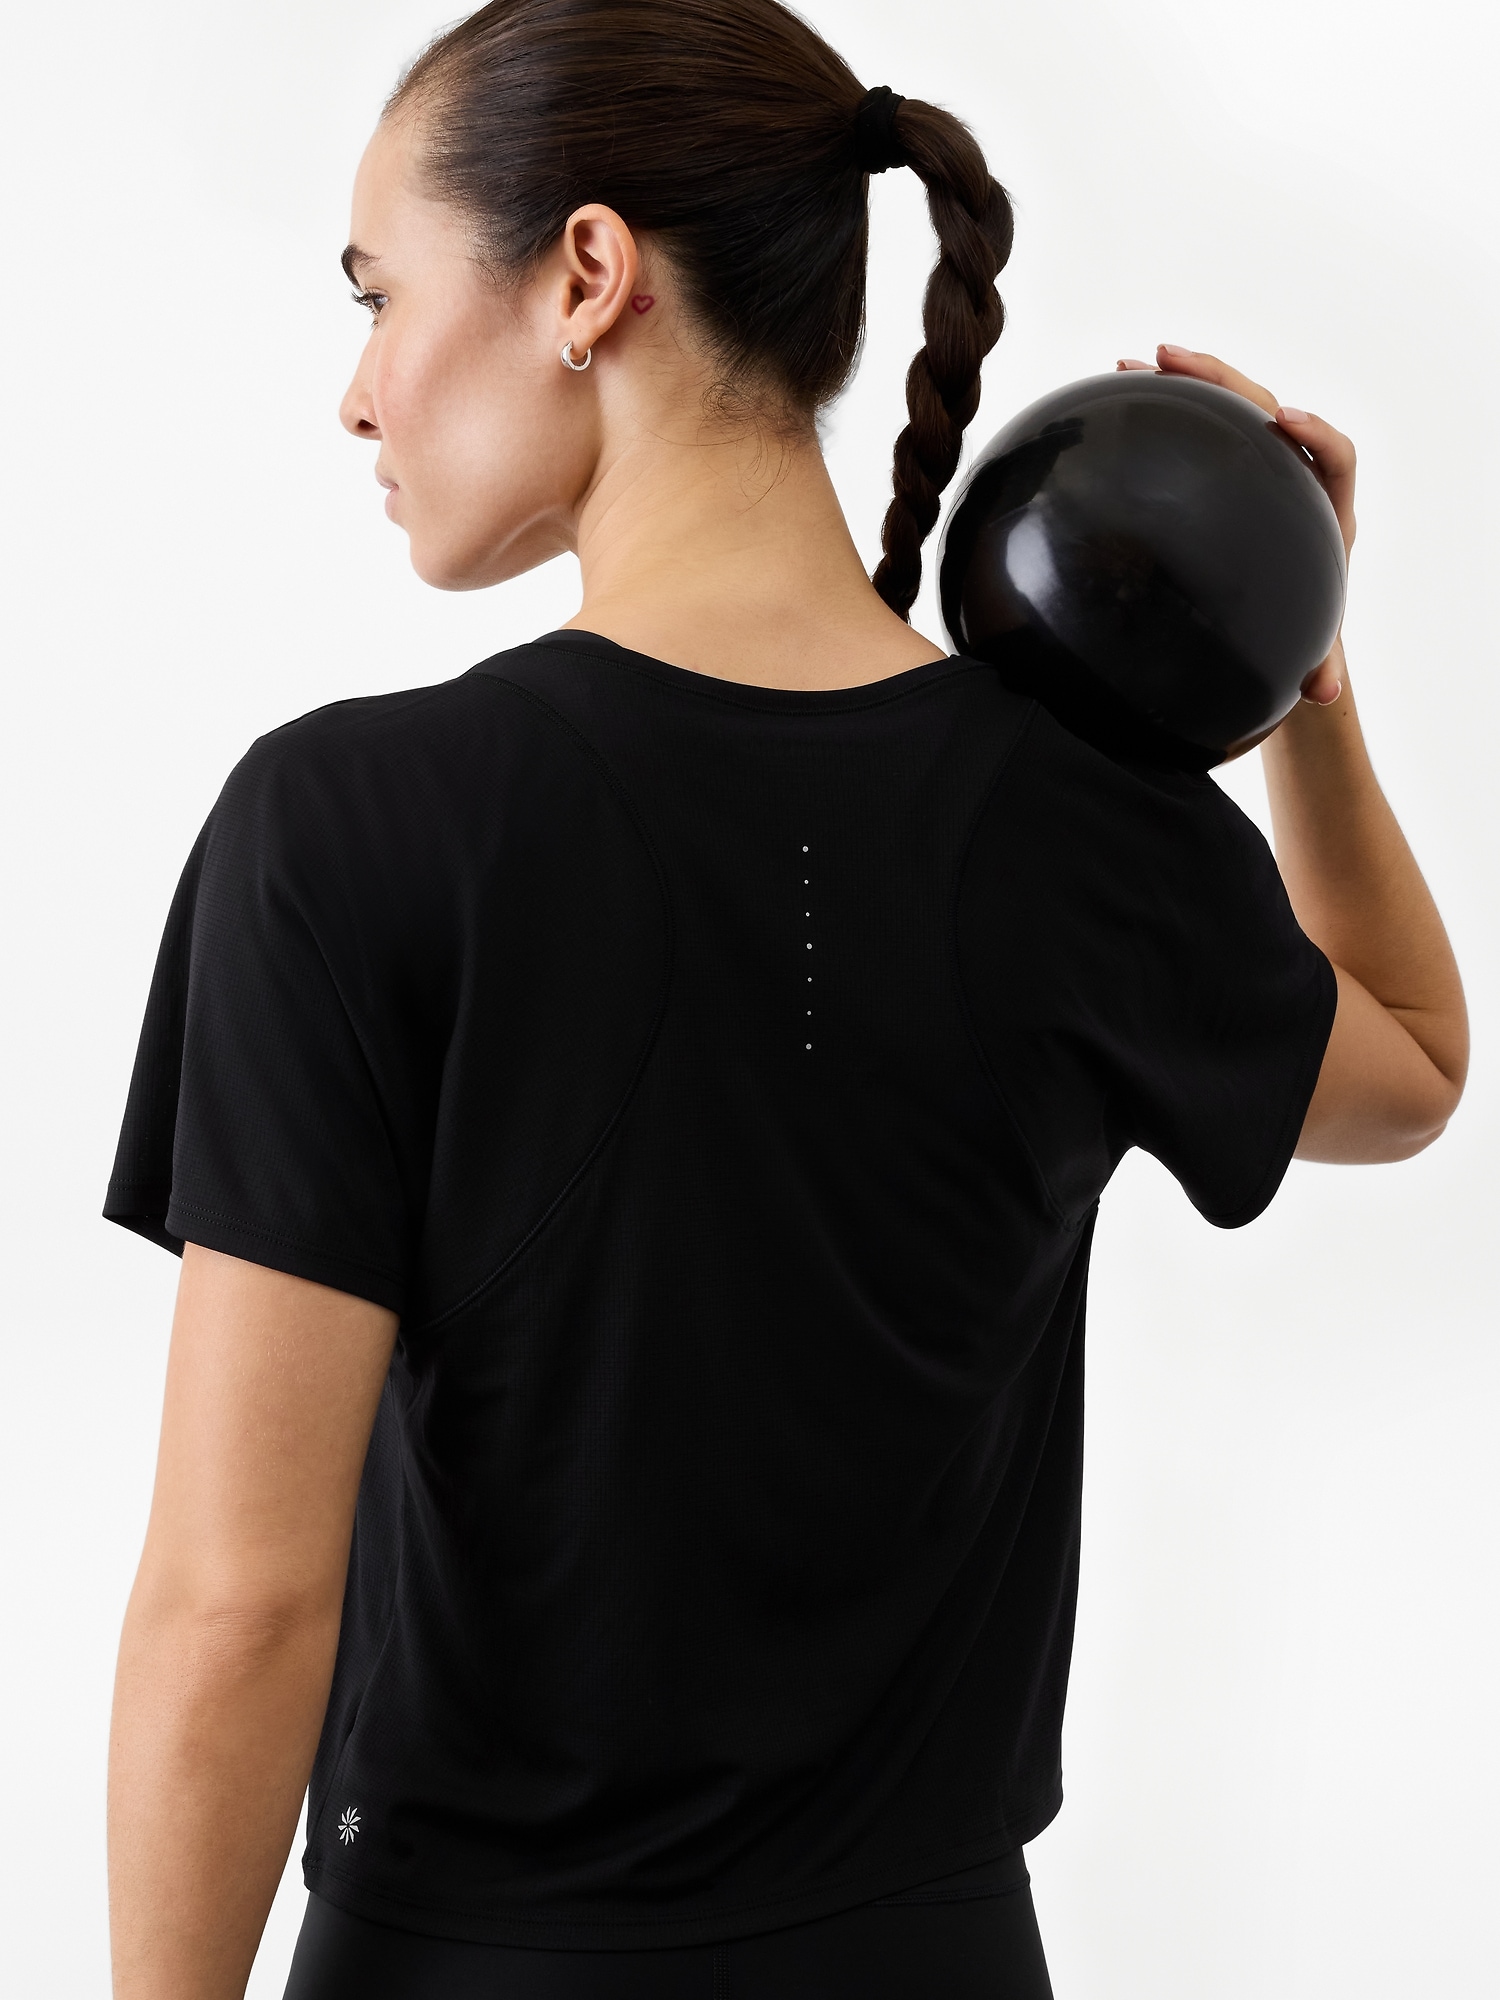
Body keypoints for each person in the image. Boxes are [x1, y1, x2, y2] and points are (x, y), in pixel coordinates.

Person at [101, 3, 1468, 1996]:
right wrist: (1301, 673)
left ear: (588, 275)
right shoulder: (1080, 826)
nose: (359, 394)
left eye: (380, 296)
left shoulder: (355, 823)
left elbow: (238, 1607)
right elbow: (1411, 1062)